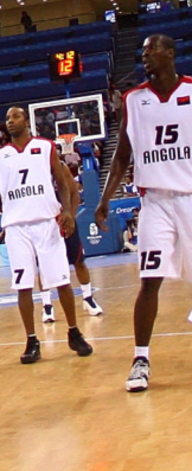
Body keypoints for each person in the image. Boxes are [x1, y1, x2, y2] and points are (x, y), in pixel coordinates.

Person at [95, 33, 192, 394]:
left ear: (170, 53)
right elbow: (122, 154)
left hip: (190, 197)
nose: (145, 55)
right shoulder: (134, 100)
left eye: (152, 50)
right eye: (143, 51)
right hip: (154, 203)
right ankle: (140, 359)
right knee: (149, 280)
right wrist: (104, 199)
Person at [0, 107, 92, 364]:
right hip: (16, 228)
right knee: (23, 286)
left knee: (61, 281)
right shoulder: (0, 156)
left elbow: (62, 182)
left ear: (26, 121)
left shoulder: (45, 147)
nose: (10, 121)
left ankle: (73, 332)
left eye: (15, 117)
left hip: (47, 223)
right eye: (7, 118)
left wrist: (67, 211)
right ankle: (32, 340)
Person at [40, 163, 104, 323]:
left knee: (79, 261)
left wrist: (71, 217)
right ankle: (47, 305)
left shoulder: (61, 167)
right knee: (43, 266)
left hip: (65, 220)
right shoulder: (33, 168)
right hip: (44, 224)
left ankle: (88, 297)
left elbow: (75, 194)